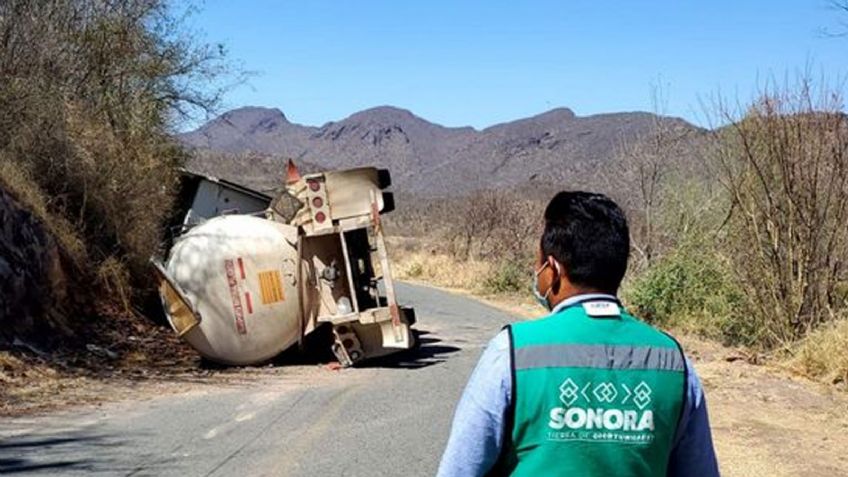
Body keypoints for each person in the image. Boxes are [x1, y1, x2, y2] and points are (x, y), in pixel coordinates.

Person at [437, 191, 719, 477]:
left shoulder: (511, 351)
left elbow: (459, 469)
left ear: (554, 269)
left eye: (540, 265)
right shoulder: (673, 361)